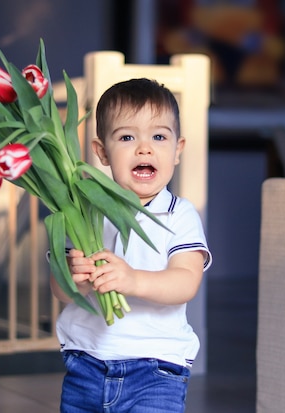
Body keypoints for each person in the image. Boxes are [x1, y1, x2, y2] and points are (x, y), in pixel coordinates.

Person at [50, 78, 212, 413]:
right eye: (126, 137)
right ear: (101, 152)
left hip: (156, 370)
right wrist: (73, 278)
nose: (144, 148)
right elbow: (60, 290)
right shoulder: (83, 211)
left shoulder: (179, 214)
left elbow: (186, 281)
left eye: (158, 136)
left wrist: (133, 280)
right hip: (87, 363)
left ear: (178, 149)